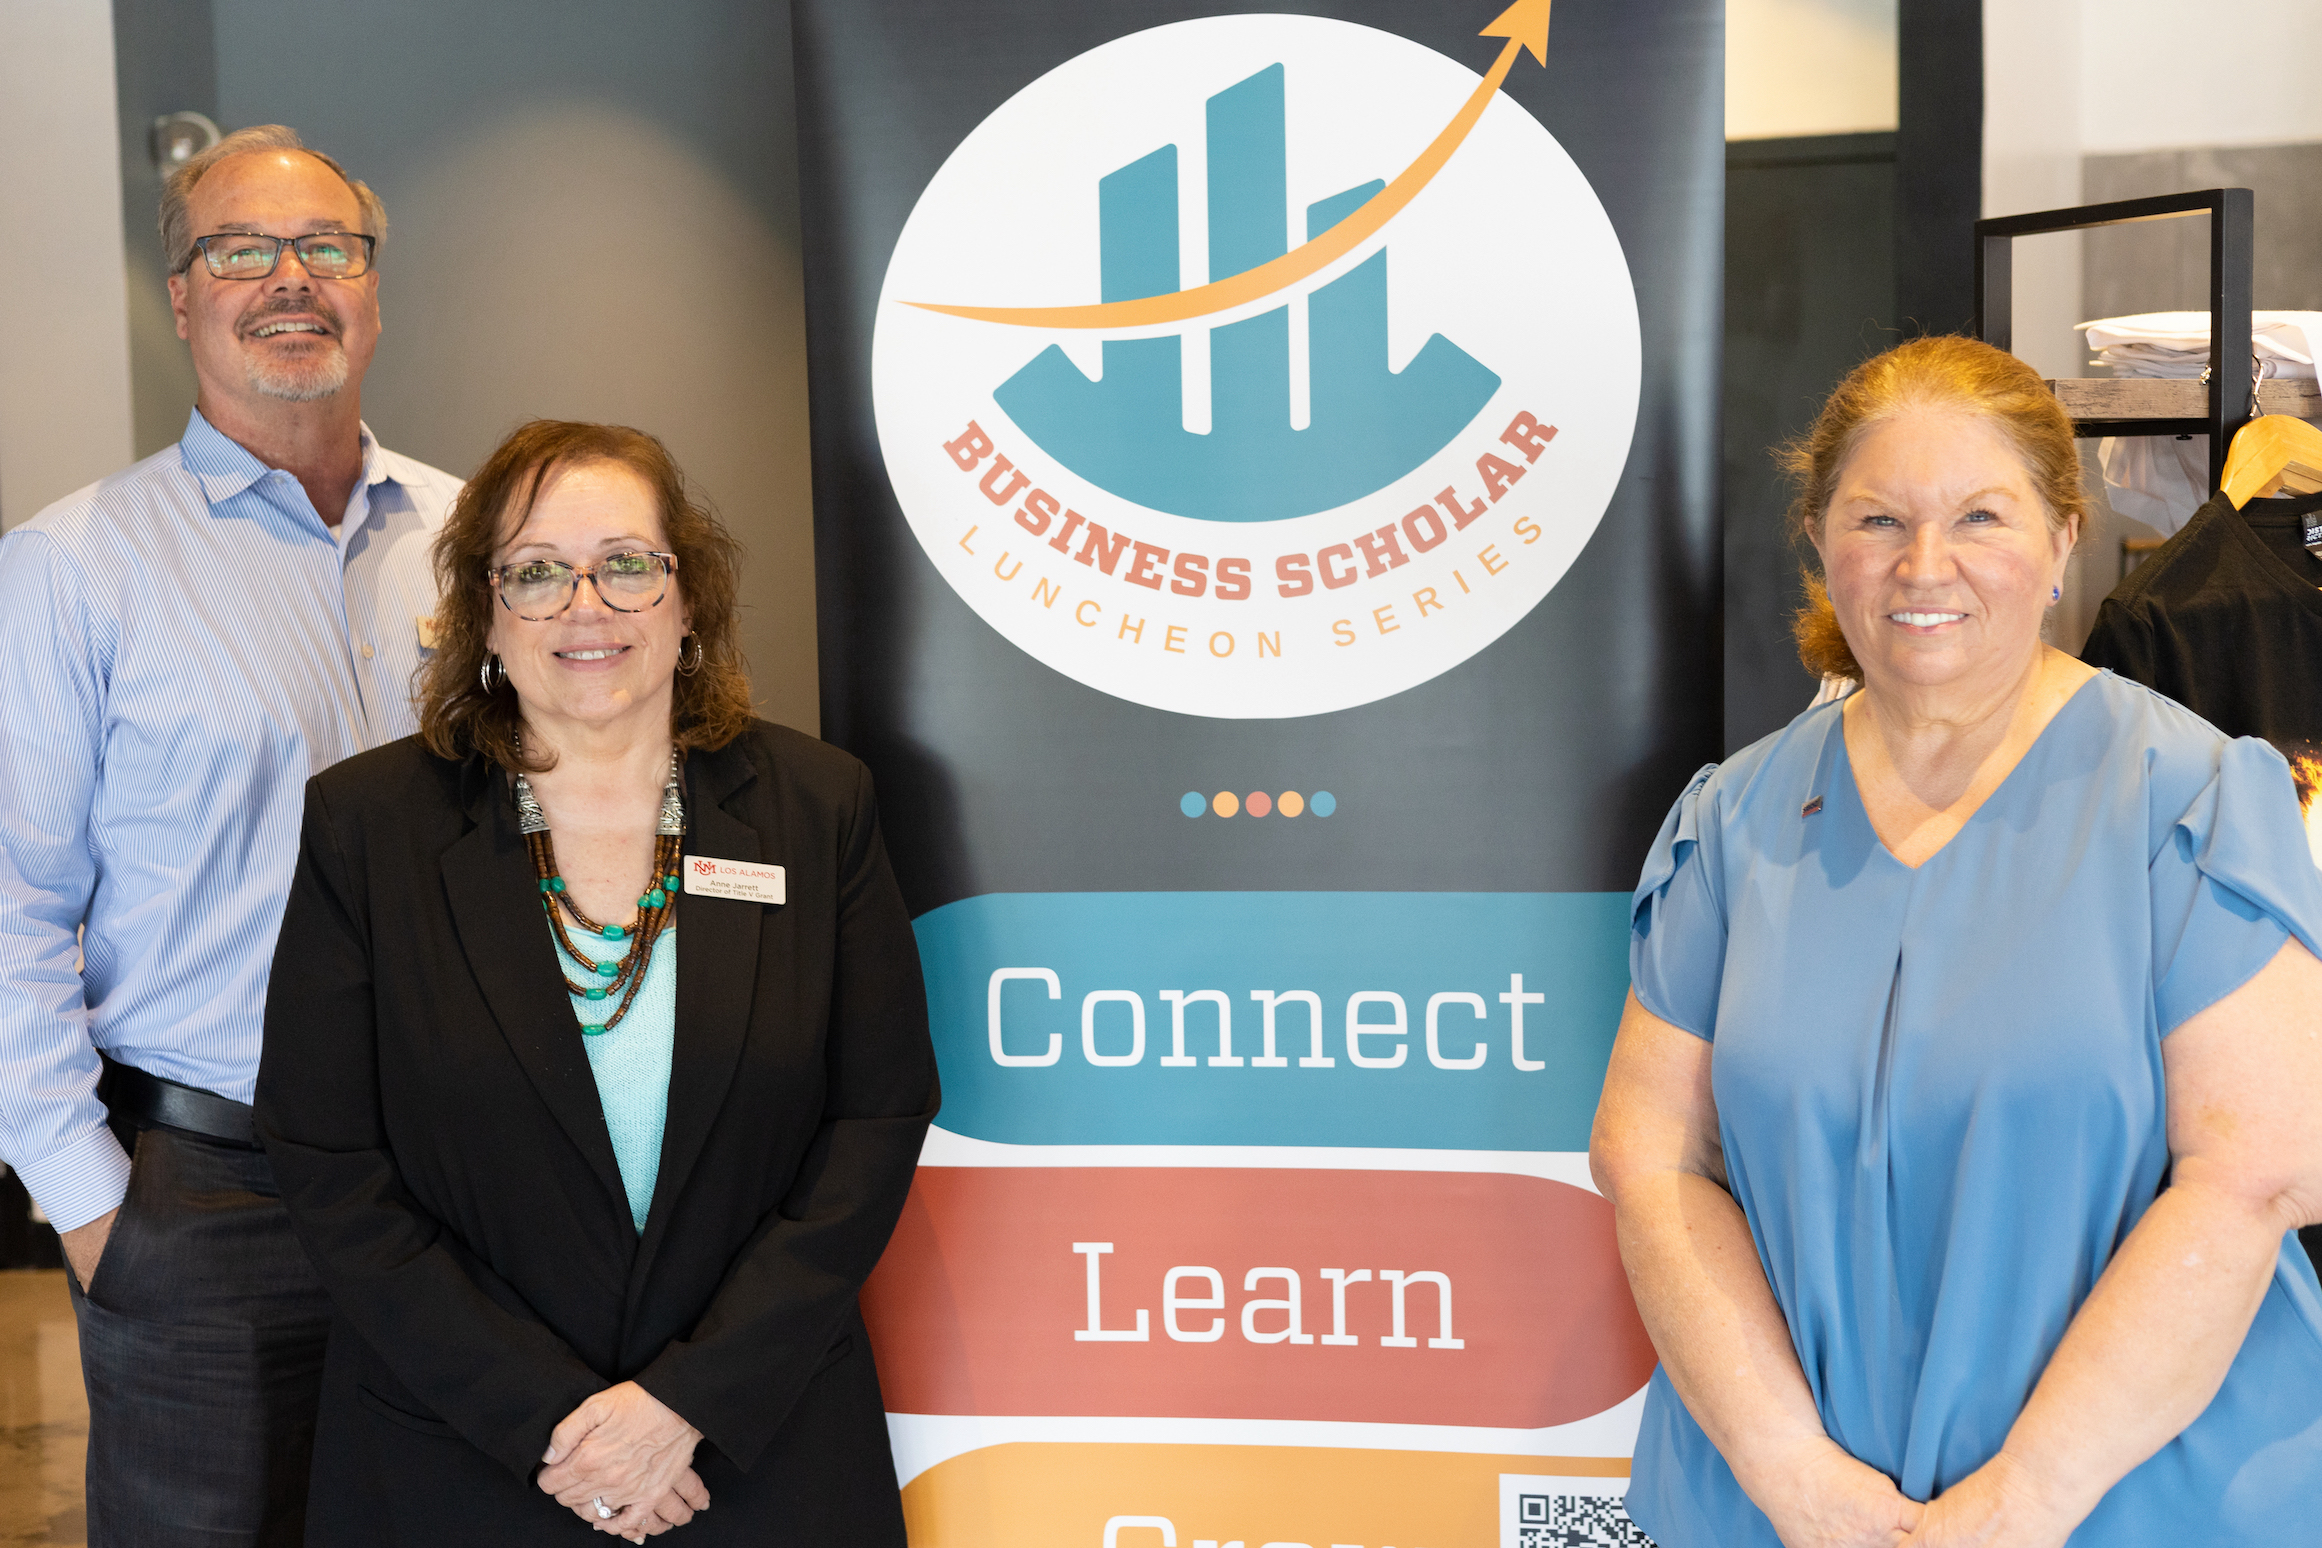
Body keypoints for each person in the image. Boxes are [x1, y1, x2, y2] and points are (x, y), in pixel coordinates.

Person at [1590, 336, 2322, 1546]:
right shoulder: (1732, 821)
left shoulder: (2186, 798)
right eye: (1879, 519)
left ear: (2062, 541)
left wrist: (2023, 1502)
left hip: (2138, 1500)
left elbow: (2255, 1175)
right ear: (1822, 539)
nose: (1925, 565)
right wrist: (1797, 1484)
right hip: (1778, 1506)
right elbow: (1652, 1157)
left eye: (1982, 515)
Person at [255, 420, 938, 1543]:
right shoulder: (367, 828)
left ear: (687, 600)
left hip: (753, 1453)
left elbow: (876, 1118)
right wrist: (555, 1424)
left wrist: (689, 1402)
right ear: (484, 614)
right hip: (461, 1458)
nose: (587, 604)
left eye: (626, 563)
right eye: (536, 571)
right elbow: (329, 1161)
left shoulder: (819, 808)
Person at [0, 125, 461, 1542]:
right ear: (181, 293)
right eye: (238, 249)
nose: (288, 278)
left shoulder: (472, 541)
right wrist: (92, 1210)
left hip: (463, 1183)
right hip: (209, 1195)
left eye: (328, 247)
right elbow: (11, 911)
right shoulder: (73, 567)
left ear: (375, 292)